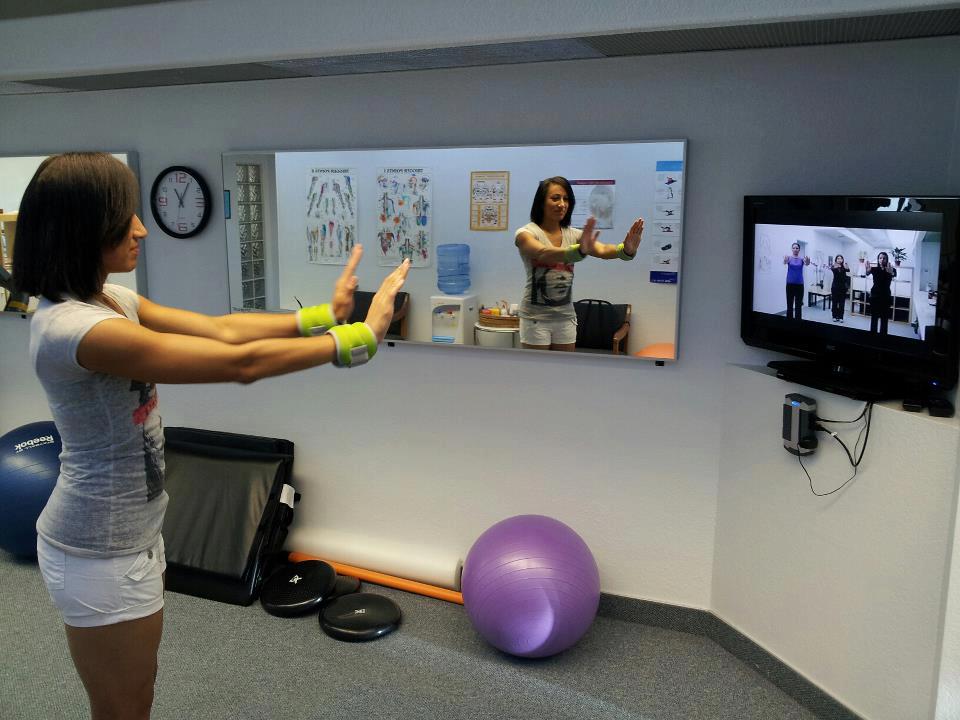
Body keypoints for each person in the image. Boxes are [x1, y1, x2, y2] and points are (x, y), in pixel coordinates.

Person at [11, 152, 409, 720]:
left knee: (135, 699)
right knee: (122, 709)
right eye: (127, 217)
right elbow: (238, 364)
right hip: (98, 549)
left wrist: (321, 315)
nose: (142, 228)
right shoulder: (76, 330)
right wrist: (356, 341)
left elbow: (223, 329)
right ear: (84, 226)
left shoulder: (111, 300)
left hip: (132, 536)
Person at [514, 176, 644, 351]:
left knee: (565, 373)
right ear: (541, 202)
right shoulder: (526, 233)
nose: (562, 204)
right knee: (538, 373)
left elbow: (603, 250)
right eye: (555, 198)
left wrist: (626, 250)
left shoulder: (573, 234)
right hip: (535, 318)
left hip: (565, 318)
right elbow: (543, 253)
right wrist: (578, 252)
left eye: (566, 199)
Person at [865, 251, 897, 334]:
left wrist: (891, 273)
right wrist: (867, 270)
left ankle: (883, 338)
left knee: (884, 319)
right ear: (878, 259)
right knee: (874, 318)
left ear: (887, 260)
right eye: (880, 258)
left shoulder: (892, 269)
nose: (882, 260)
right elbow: (867, 273)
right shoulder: (874, 269)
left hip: (886, 297)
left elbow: (894, 274)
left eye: (884, 258)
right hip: (875, 296)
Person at [783, 242, 810, 320]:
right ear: (792, 249)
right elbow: (784, 262)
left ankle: (798, 323)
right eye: (794, 248)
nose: (795, 249)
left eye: (797, 248)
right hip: (790, 284)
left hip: (799, 285)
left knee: (798, 305)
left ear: (799, 250)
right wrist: (785, 260)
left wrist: (808, 260)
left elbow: (807, 264)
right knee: (789, 305)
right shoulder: (789, 258)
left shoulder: (802, 259)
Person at [828, 254, 851, 323]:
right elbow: (833, 270)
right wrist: (836, 267)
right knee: (834, 302)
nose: (839, 259)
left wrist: (846, 266)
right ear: (836, 260)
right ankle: (834, 316)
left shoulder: (844, 266)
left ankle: (841, 317)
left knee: (842, 303)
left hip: (842, 288)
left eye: (841, 258)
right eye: (838, 258)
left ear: (842, 260)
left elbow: (848, 270)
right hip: (835, 287)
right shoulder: (833, 266)